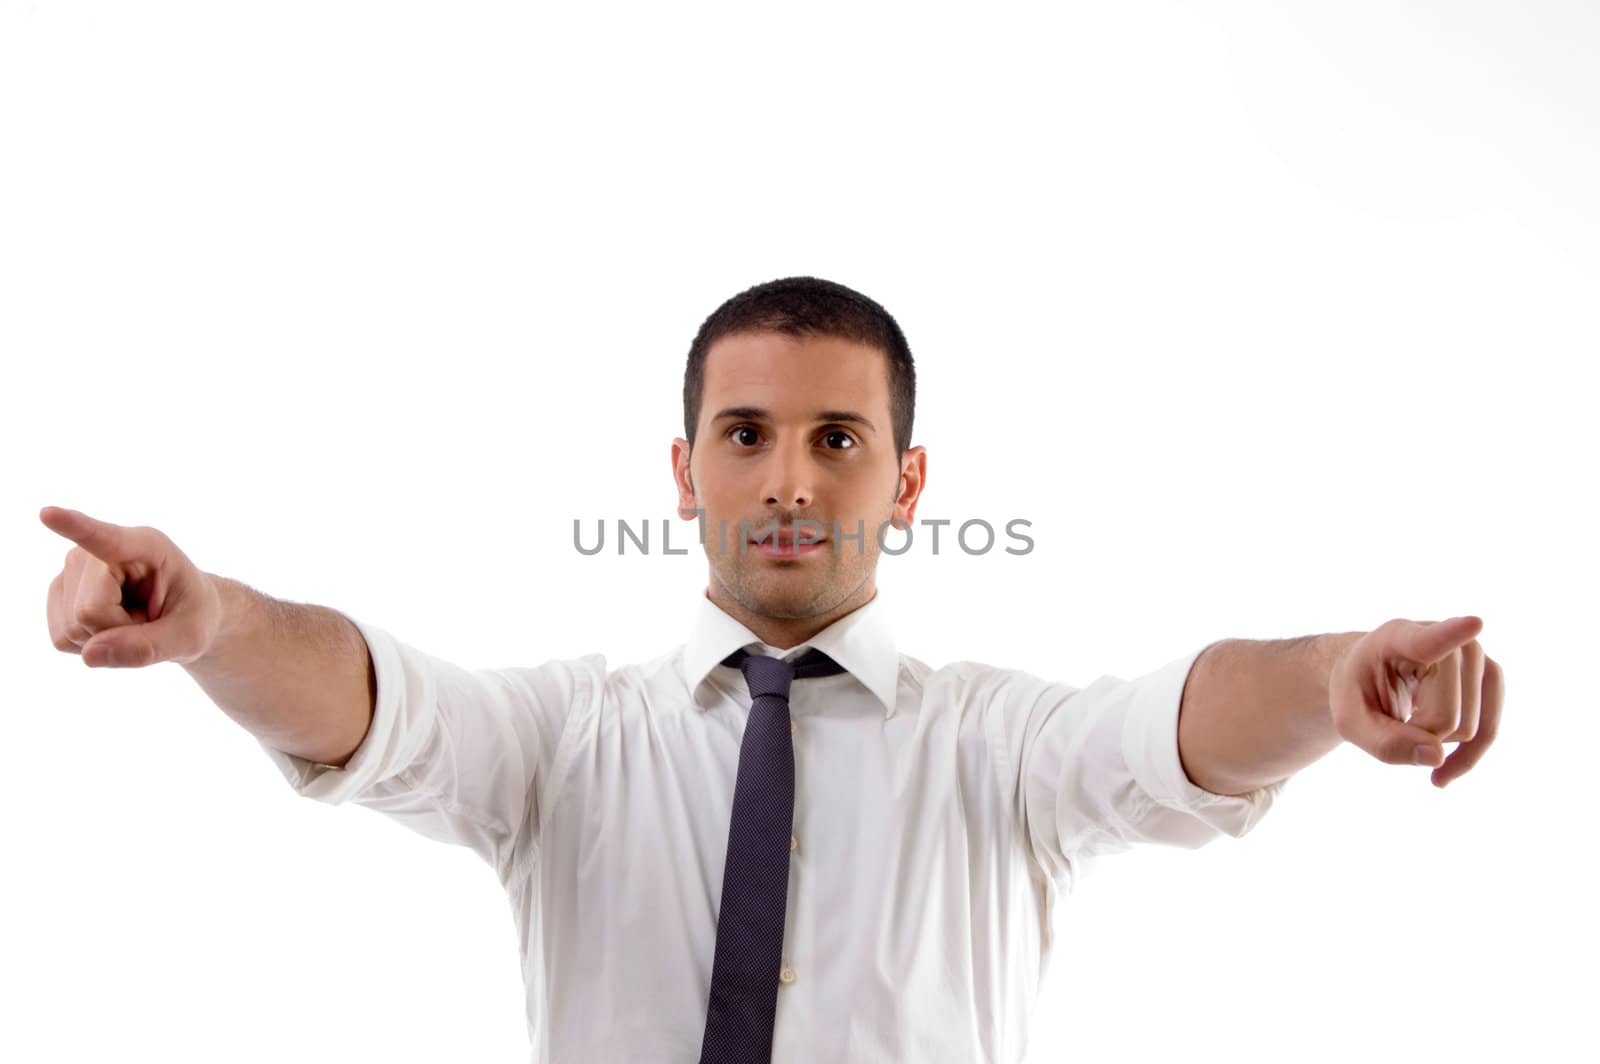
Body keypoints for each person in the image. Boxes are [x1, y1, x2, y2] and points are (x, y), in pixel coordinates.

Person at [41, 275, 1503, 1064]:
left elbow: (1169, 731)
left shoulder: (993, 745)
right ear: (684, 471)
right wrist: (217, 621)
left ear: (910, 481)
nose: (790, 480)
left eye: (838, 439)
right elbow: (382, 709)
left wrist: (1328, 683)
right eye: (746, 435)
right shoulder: (566, 739)